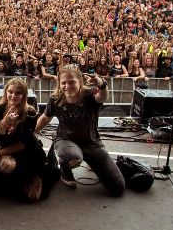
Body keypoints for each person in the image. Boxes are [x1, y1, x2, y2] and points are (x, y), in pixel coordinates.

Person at [35, 66, 125, 196]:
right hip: (66, 141)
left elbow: (103, 97)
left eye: (72, 82)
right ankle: (65, 171)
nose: (67, 86)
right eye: (64, 83)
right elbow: (45, 118)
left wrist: (102, 84)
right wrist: (31, 132)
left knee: (117, 188)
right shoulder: (55, 99)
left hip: (91, 143)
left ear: (80, 81)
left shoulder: (89, 95)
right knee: (72, 156)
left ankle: (93, 162)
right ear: (59, 83)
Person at [0, 78, 55, 202]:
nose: (13, 95)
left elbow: (23, 144)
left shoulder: (31, 113)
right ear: (5, 92)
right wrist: (4, 124)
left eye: (18, 93)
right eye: (10, 91)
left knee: (30, 192)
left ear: (24, 95)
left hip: (28, 153)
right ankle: (25, 182)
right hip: (7, 151)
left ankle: (36, 177)